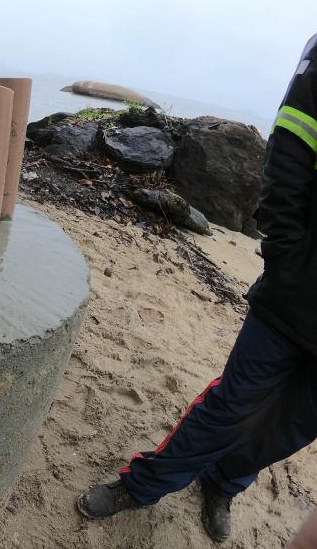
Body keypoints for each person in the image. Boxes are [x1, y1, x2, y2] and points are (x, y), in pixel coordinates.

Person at [78, 32, 317, 543]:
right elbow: (291, 153)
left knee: (289, 430)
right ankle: (142, 486)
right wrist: (287, 254)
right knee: (232, 406)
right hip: (300, 291)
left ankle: (224, 483)